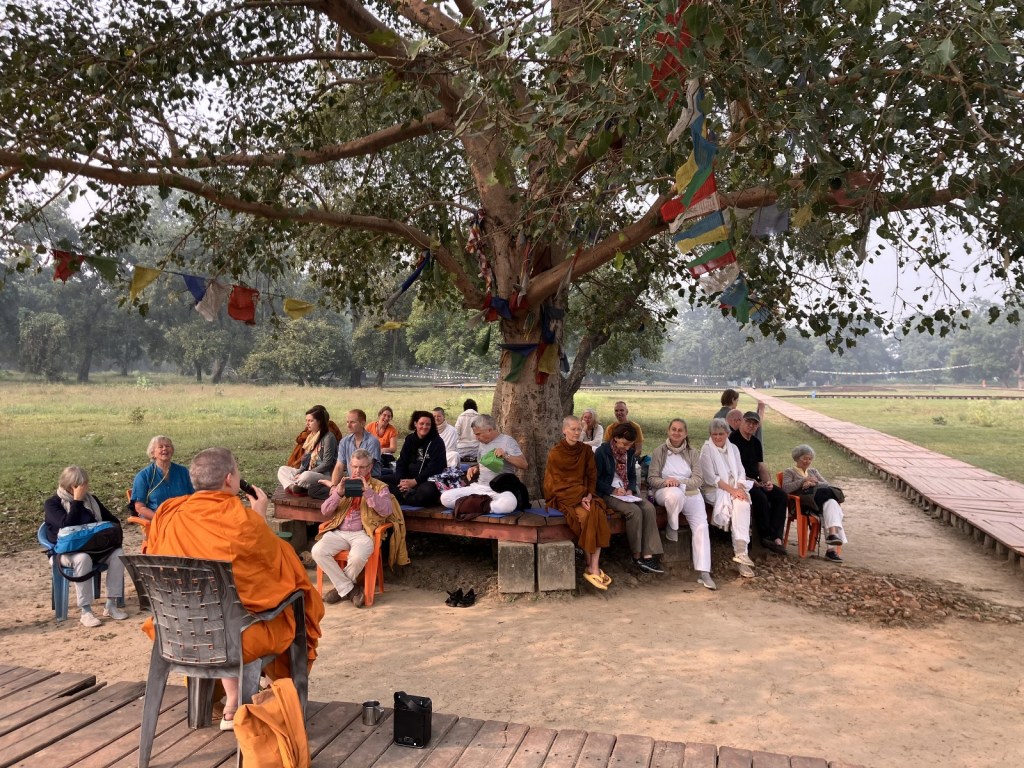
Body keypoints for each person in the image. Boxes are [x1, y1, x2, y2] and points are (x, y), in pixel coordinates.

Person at [142, 447, 324, 729]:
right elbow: (283, 574)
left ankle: (231, 698)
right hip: (233, 640)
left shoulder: (168, 513)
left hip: (176, 633)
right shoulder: (245, 522)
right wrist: (259, 517)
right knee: (290, 608)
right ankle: (267, 694)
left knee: (221, 608)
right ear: (229, 479)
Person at [313, 448, 401, 607]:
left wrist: (369, 493)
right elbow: (325, 511)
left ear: (369, 467)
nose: (357, 471)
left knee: (357, 557)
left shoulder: (380, 487)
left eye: (361, 467)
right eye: (354, 466)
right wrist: (338, 493)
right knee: (317, 551)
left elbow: (387, 511)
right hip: (339, 531)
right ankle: (351, 590)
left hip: (364, 533)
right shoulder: (343, 484)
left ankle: (340, 589)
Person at [43, 466, 128, 627]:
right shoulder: (52, 503)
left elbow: (113, 521)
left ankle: (111, 604)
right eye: (79, 485)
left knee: (118, 554)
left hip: (94, 549)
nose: (84, 488)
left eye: (85, 484)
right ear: (69, 486)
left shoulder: (92, 500)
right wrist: (77, 501)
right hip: (65, 553)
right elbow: (66, 524)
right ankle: (86, 611)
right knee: (83, 559)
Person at [544, 416, 611, 590]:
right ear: (564, 430)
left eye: (579, 429)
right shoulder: (556, 453)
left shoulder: (586, 451)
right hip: (565, 497)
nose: (576, 433)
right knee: (587, 517)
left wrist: (588, 495)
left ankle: (593, 566)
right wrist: (580, 496)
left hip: (584, 495)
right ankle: (591, 566)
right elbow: (555, 483)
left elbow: (592, 476)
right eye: (572, 429)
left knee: (598, 514)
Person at [648, 419, 715, 589]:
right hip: (666, 491)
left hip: (690, 492)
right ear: (668, 431)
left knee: (701, 526)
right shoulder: (659, 451)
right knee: (675, 495)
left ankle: (704, 571)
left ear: (685, 433)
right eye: (673, 429)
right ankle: (672, 525)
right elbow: (652, 479)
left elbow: (698, 479)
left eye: (680, 430)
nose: (676, 433)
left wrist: (680, 482)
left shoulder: (692, 452)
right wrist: (666, 482)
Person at [595, 423, 664, 574]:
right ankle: (636, 555)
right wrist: (613, 490)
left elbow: (632, 476)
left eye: (630, 445)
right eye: (624, 444)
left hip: (626, 493)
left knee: (649, 508)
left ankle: (648, 555)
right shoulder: (602, 452)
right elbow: (595, 479)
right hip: (608, 493)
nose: (627, 448)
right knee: (634, 511)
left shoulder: (630, 454)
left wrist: (630, 489)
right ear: (616, 438)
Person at [700, 418, 757, 578]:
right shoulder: (706, 450)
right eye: (714, 434)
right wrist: (733, 491)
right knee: (737, 502)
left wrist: (740, 488)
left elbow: (740, 471)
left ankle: (741, 554)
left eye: (721, 434)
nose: (718, 437)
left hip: (735, 488)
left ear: (727, 433)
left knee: (742, 504)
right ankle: (741, 554)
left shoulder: (734, 448)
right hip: (715, 490)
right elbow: (711, 479)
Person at [440, 414, 529, 514]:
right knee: (445, 497)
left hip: (499, 490)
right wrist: (475, 468)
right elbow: (483, 464)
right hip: (480, 488)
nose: (476, 438)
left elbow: (524, 465)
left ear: (489, 430)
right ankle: (486, 506)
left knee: (508, 504)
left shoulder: (507, 441)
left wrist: (505, 455)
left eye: (478, 434)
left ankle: (473, 505)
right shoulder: (482, 443)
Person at [729, 411, 788, 555]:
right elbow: (731, 469)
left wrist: (767, 482)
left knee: (780, 495)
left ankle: (777, 537)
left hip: (756, 479)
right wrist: (749, 481)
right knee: (760, 497)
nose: (751, 426)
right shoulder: (733, 440)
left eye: (754, 424)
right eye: (748, 422)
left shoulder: (756, 442)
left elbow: (761, 466)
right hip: (740, 481)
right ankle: (765, 536)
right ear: (741, 422)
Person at [780, 444, 848, 562]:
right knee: (831, 504)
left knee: (832, 503)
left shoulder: (813, 471)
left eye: (810, 459)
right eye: (805, 458)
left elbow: (826, 484)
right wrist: (803, 481)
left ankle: (832, 539)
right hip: (803, 505)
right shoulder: (789, 472)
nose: (808, 461)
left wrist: (814, 483)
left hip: (819, 502)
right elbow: (785, 488)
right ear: (797, 458)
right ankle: (831, 550)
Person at [389, 411, 447, 507]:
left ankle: (402, 497)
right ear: (415, 423)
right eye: (421, 423)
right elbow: (401, 461)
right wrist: (401, 481)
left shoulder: (437, 442)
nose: (424, 427)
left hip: (427, 479)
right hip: (408, 478)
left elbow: (435, 468)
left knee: (426, 492)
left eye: (428, 424)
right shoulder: (409, 439)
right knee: (379, 481)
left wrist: (415, 481)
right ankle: (407, 495)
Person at [276, 405, 338, 496]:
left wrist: (306, 473)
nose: (307, 424)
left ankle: (298, 485)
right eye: (306, 421)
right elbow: (304, 462)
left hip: (324, 474)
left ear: (320, 422)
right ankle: (294, 487)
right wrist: (299, 472)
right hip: (308, 471)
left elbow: (327, 464)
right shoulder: (311, 437)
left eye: (310, 421)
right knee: (282, 470)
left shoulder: (328, 437)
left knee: (306, 476)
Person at [130, 436, 195, 520]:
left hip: (184, 517)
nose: (165, 449)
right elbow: (140, 508)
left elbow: (194, 497)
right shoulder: (143, 476)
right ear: (153, 452)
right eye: (160, 447)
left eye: (168, 446)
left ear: (172, 450)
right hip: (158, 519)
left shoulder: (183, 471)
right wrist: (160, 519)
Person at [322, 409, 382, 494]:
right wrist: (333, 486)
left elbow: (366, 471)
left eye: (352, 422)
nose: (348, 425)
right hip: (351, 481)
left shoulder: (372, 442)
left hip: (368, 483)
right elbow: (339, 466)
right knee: (314, 489)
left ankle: (344, 494)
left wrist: (339, 489)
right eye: (347, 422)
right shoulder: (344, 441)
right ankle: (341, 492)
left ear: (362, 423)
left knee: (340, 492)